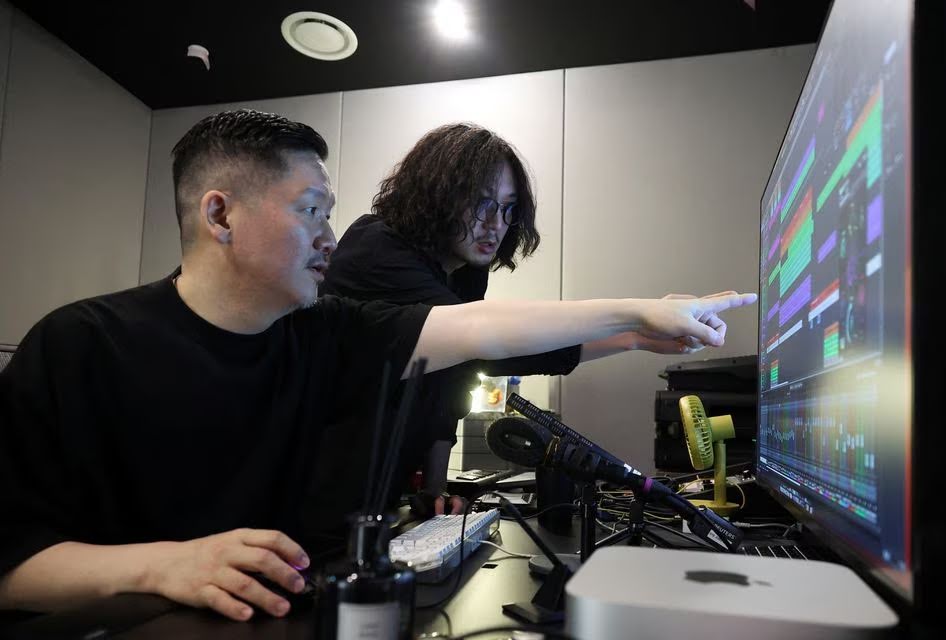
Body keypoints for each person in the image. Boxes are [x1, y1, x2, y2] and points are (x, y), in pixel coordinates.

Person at [0, 109, 755, 623]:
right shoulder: (79, 345)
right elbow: (12, 568)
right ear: (220, 214)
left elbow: (473, 333)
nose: (332, 238)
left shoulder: (328, 334)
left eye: (329, 214)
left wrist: (638, 327)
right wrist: (160, 566)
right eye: (311, 211)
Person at [320, 122, 720, 517]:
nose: (496, 224)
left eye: (508, 209)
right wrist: (638, 315)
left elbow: (453, 379)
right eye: (482, 203)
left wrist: (435, 492)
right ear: (435, 193)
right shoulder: (375, 247)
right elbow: (480, 340)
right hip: (316, 492)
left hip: (374, 503)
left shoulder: (464, 274)